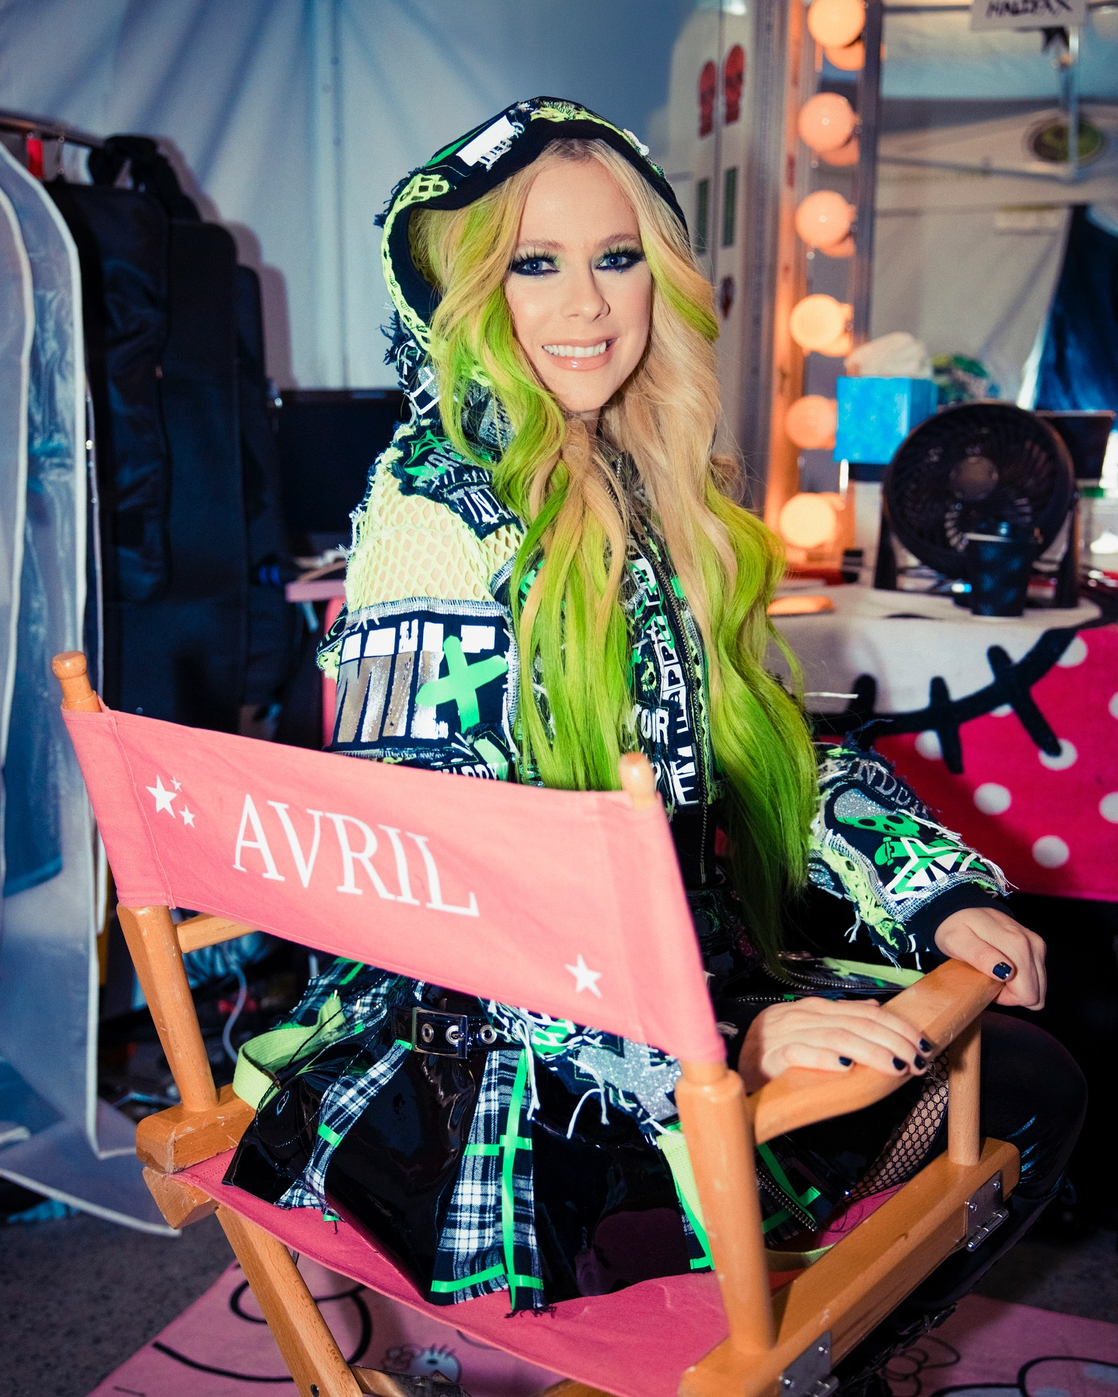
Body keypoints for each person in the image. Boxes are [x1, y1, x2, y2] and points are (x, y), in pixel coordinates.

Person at [227, 100, 1084, 1346]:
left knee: (1020, 1081)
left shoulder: (644, 473)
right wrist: (718, 1039)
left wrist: (935, 895)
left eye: (616, 257)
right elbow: (431, 874)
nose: (586, 304)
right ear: (463, 291)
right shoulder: (431, 510)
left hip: (680, 961)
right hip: (504, 1034)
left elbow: (772, 745)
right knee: (993, 1098)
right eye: (534, 262)